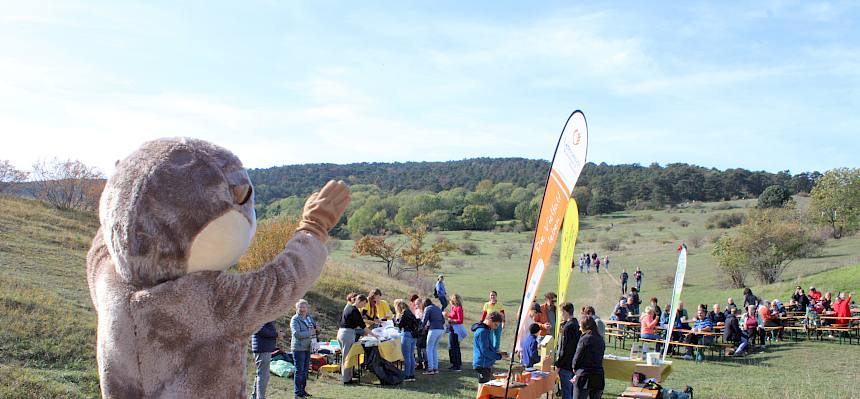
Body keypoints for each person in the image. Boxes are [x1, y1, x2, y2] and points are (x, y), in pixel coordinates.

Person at [571, 316, 605, 399]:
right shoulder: (600, 339)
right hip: (598, 376)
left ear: (585, 326)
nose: (579, 329)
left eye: (580, 326)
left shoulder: (585, 338)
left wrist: (574, 368)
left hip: (585, 375)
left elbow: (578, 356)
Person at [291, 299, 318, 398]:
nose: (302, 309)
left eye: (304, 307)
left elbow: (314, 329)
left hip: (308, 347)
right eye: (300, 307)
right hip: (298, 348)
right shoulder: (295, 319)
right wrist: (310, 333)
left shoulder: (309, 318)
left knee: (305, 370)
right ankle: (297, 393)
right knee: (299, 371)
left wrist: (317, 330)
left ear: (307, 308)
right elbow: (296, 334)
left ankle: (303, 391)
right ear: (297, 308)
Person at [338, 294, 368, 384]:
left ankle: (348, 377)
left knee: (347, 356)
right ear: (359, 301)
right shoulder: (354, 310)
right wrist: (374, 335)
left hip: (343, 333)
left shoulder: (349, 308)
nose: (364, 306)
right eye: (364, 303)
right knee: (347, 357)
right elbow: (363, 326)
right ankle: (346, 379)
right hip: (347, 334)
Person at [555, 302, 581, 399]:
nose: (560, 315)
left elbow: (565, 349)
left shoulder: (568, 327)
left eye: (561, 312)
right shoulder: (575, 324)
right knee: (572, 393)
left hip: (566, 365)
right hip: (574, 364)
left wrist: (558, 364)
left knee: (567, 394)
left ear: (565, 312)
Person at [473, 312, 504, 383]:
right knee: (484, 386)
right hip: (482, 364)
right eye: (495, 325)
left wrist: (496, 352)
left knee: (485, 385)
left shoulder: (486, 330)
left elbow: (487, 346)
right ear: (490, 320)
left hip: (485, 363)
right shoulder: (482, 331)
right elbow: (485, 351)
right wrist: (499, 356)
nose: (496, 327)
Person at [393, 299, 420, 382]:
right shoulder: (410, 312)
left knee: (406, 357)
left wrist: (395, 320)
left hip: (406, 334)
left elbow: (399, 325)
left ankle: (407, 375)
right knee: (411, 356)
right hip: (413, 336)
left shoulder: (404, 313)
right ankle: (412, 375)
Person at [251, 321, 278, 399]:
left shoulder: (264, 316)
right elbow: (262, 330)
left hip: (264, 348)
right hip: (262, 348)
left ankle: (254, 396)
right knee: (263, 375)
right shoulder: (261, 316)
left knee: (261, 374)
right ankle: (260, 397)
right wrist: (276, 334)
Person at [421, 298, 445, 375]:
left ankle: (430, 369)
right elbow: (443, 320)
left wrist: (419, 328)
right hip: (441, 329)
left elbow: (424, 320)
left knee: (429, 349)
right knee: (434, 349)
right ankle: (435, 368)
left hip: (433, 330)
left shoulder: (427, 308)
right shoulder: (437, 308)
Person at [446, 294, 467, 371]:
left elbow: (460, 320)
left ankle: (457, 365)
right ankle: (455, 363)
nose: (450, 301)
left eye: (451, 300)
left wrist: (452, 320)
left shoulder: (458, 308)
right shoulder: (453, 308)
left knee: (455, 347)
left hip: (455, 330)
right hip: (452, 329)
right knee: (452, 347)